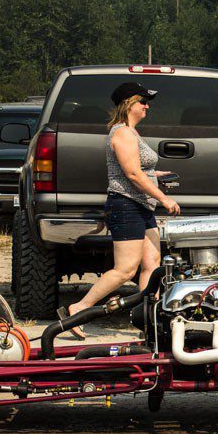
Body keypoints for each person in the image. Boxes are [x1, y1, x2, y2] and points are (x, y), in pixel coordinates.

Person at [61, 82, 180, 339]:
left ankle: (149, 319)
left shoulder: (132, 132)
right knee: (125, 269)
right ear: (129, 103)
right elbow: (133, 174)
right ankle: (79, 308)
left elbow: (139, 169)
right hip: (126, 205)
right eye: (143, 102)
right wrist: (163, 198)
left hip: (140, 206)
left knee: (152, 263)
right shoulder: (123, 134)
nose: (147, 106)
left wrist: (155, 174)